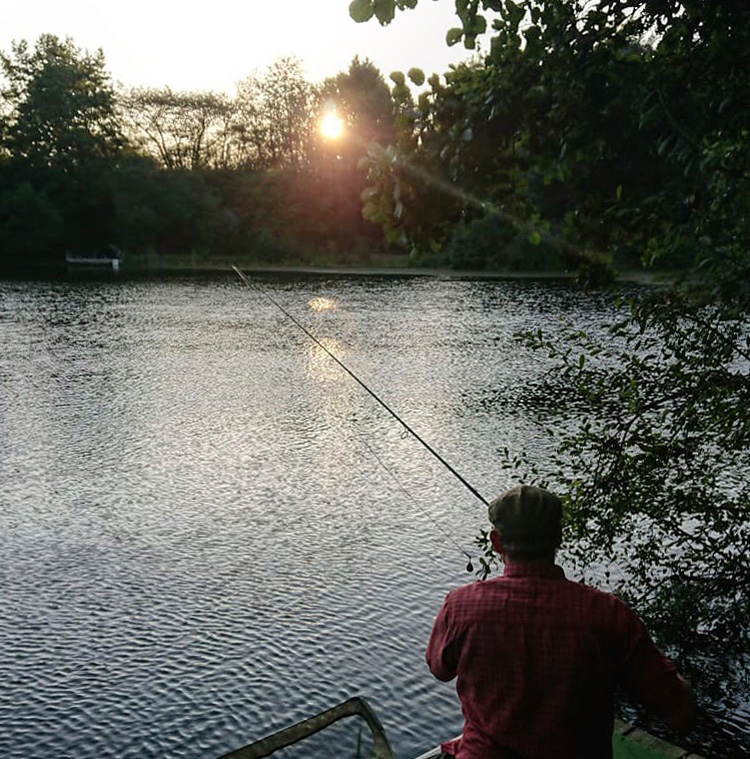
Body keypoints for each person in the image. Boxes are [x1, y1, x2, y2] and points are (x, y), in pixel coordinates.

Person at [426, 484, 696, 759]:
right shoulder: (608, 614)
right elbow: (677, 710)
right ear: (558, 538)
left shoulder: (460, 606)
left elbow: (440, 669)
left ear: (496, 542)